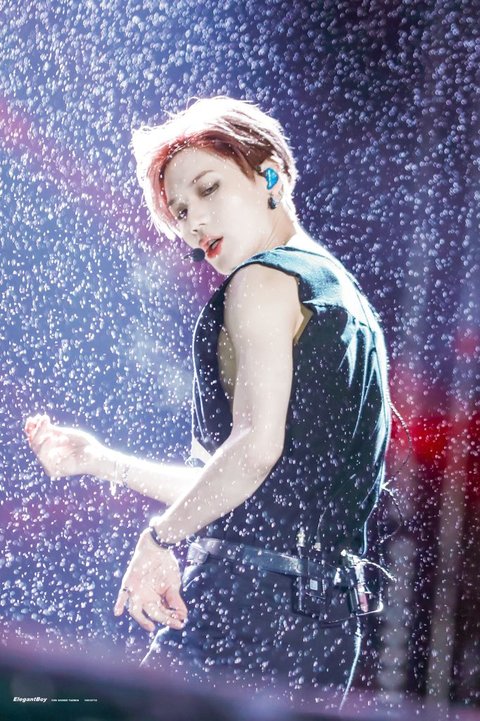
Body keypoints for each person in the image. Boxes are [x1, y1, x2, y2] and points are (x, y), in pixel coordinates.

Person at [25, 96, 391, 709]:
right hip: (324, 620)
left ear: (269, 174)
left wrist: (159, 540)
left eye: (208, 188)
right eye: (179, 211)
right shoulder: (345, 297)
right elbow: (244, 485)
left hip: (243, 600)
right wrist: (100, 461)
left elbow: (254, 449)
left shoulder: (261, 281)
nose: (193, 223)